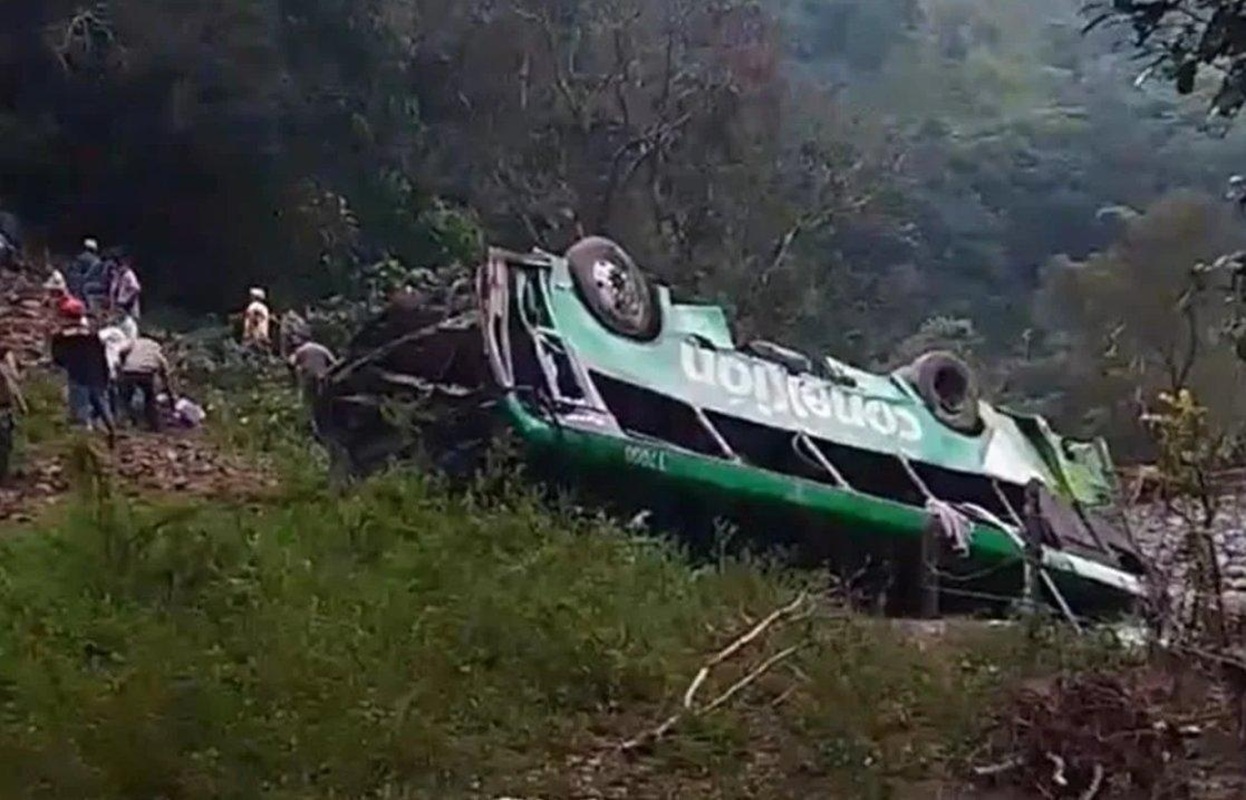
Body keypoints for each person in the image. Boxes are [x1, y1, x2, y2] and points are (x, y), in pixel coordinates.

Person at [50, 296, 115, 446]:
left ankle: (84, 446)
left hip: (77, 378)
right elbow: (102, 358)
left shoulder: (60, 337)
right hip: (98, 377)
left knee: (80, 414)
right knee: (103, 408)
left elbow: (58, 359)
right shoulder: (93, 336)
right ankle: (111, 433)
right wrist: (106, 376)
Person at [118, 335, 173, 431]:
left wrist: (122, 364)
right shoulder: (155, 347)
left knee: (125, 399)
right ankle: (154, 425)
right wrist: (167, 386)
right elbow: (163, 365)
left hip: (128, 371)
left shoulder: (135, 342)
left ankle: (122, 422)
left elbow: (121, 351)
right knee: (149, 399)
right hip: (146, 373)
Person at [0, 346, 27, 483]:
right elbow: (14, 386)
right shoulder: (3, 370)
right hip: (3, 411)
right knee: (5, 444)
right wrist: (22, 405)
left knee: (6, 443)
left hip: (5, 410)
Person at [288, 339, 337, 406]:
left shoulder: (301, 349)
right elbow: (334, 362)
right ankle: (320, 405)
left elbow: (291, 362)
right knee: (320, 394)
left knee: (303, 390)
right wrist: (327, 371)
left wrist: (295, 371)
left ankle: (301, 405)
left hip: (307, 374)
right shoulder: (322, 348)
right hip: (321, 374)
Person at [66, 238, 103, 310]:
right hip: (95, 282)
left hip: (90, 282)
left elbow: (77, 272)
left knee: (83, 287)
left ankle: (88, 307)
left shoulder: (82, 258)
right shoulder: (97, 260)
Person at [110, 254, 142, 321]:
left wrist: (126, 299)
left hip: (126, 305)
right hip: (117, 305)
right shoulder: (116, 275)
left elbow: (136, 288)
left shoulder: (129, 274)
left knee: (128, 321)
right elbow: (113, 289)